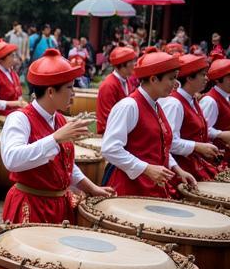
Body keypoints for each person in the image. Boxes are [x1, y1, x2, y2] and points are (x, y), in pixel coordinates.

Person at [0, 49, 115, 223]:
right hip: (31, 205)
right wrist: (55, 139)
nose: (74, 93)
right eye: (69, 87)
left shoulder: (59, 119)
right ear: (51, 92)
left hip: (60, 204)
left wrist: (92, 187)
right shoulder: (19, 118)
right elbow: (11, 160)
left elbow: (65, 165)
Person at [101, 47, 196, 198]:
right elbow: (109, 149)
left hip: (152, 187)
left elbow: (159, 148)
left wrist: (177, 169)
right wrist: (146, 168)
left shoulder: (157, 105)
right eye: (171, 78)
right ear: (153, 79)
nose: (176, 83)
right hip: (131, 190)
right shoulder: (129, 106)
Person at [160, 54, 223, 182]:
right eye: (203, 74)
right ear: (189, 78)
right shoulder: (175, 103)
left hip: (193, 166)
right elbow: (168, 143)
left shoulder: (192, 100)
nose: (207, 78)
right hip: (181, 171)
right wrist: (197, 146)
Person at [96, 46, 138, 134]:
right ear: (123, 64)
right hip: (110, 134)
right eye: (132, 61)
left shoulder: (127, 81)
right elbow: (105, 118)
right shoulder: (108, 85)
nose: (135, 64)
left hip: (123, 132)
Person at [0, 40, 26, 118]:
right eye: (11, 55)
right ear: (1, 60)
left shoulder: (13, 73)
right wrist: (14, 104)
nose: (14, 58)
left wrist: (21, 103)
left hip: (14, 115)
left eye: (14, 55)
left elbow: (18, 96)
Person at [200, 58, 230, 166]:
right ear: (218, 80)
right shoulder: (210, 101)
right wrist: (221, 134)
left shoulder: (226, 96)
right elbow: (202, 129)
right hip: (217, 161)